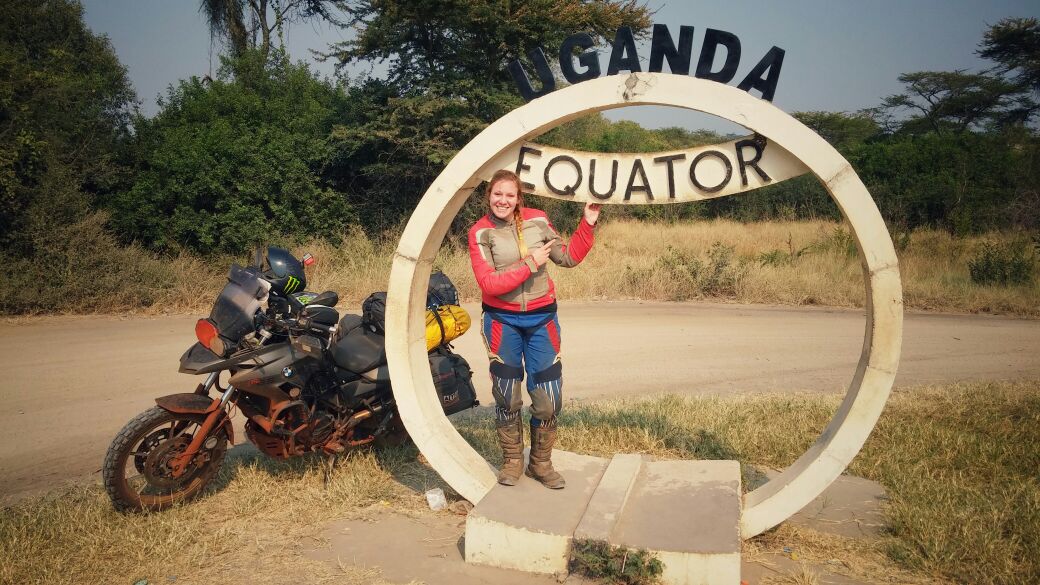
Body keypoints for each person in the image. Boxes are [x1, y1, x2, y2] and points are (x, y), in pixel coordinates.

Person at [468, 169, 600, 489]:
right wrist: (529, 263)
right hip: (501, 322)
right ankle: (513, 461)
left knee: (549, 400)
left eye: (509, 195)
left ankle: (540, 464)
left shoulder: (538, 221)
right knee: (507, 397)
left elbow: (567, 258)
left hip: (542, 319)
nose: (503, 200)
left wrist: (588, 223)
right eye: (497, 194)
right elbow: (489, 283)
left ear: (518, 198)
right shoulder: (480, 233)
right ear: (489, 196)